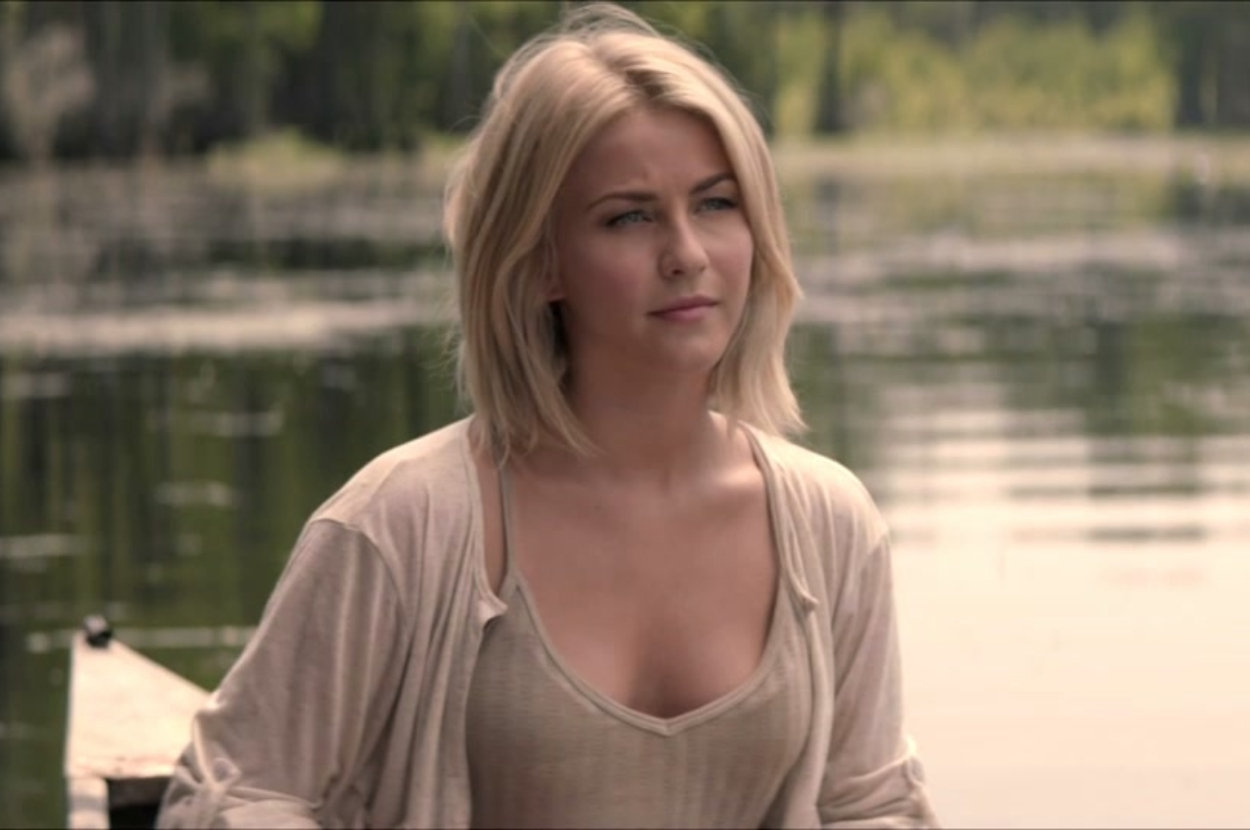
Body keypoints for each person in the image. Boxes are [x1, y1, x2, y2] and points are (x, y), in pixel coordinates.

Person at [157, 3, 938, 828]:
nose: (687, 254)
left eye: (715, 204)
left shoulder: (828, 524)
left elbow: (871, 803)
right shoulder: (402, 522)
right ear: (539, 264)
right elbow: (227, 797)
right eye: (629, 217)